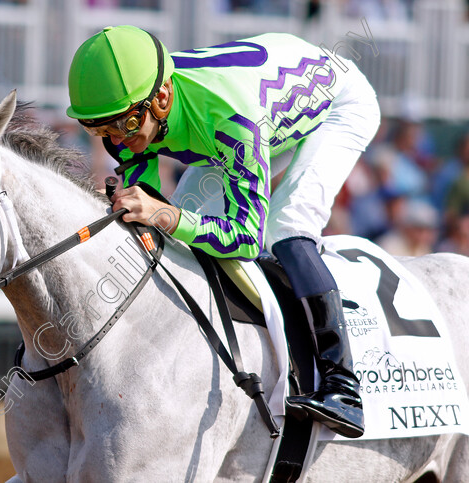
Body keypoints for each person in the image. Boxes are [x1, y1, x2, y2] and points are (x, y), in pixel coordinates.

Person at [66, 26, 381, 438]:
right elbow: (148, 211)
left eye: (122, 125)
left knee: (285, 227)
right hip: (248, 115)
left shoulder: (229, 116)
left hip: (334, 107)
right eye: (98, 130)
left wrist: (167, 215)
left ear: (161, 99)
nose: (115, 140)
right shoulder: (131, 116)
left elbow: (247, 238)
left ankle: (344, 386)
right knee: (175, 220)